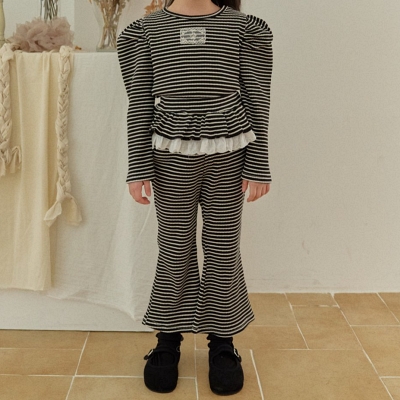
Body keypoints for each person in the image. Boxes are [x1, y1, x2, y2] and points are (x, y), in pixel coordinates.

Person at [117, 0, 273, 395]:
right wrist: (138, 165)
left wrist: (259, 163)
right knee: (174, 246)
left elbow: (257, 98)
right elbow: (139, 103)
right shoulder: (146, 31)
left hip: (230, 156)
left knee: (223, 246)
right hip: (169, 158)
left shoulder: (244, 29)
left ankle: (222, 339)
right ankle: (168, 336)